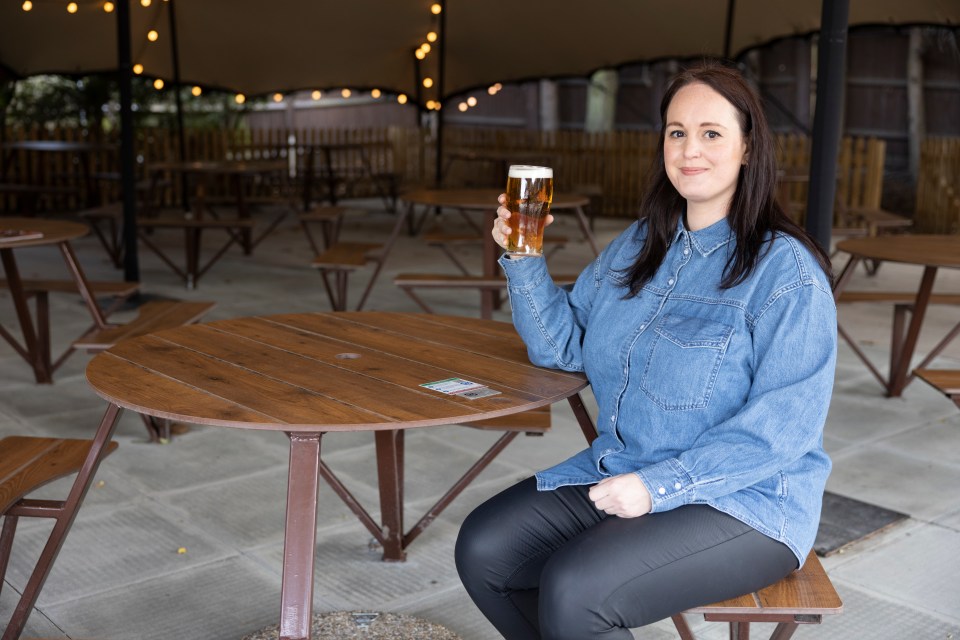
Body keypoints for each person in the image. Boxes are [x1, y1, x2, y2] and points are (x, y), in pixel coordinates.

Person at [454, 61, 837, 640]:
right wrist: (525, 258)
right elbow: (562, 348)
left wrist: (659, 488)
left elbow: (781, 432)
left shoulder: (785, 273)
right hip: (625, 469)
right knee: (485, 550)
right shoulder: (639, 244)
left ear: (748, 148)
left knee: (576, 590)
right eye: (677, 132)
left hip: (748, 502)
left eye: (712, 133)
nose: (690, 150)